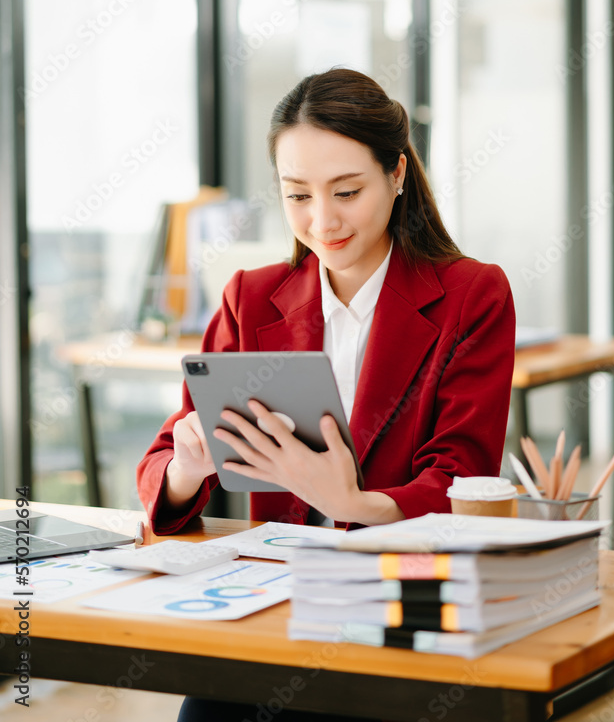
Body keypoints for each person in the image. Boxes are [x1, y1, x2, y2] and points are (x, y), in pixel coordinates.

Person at [136, 67, 515, 721]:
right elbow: (163, 465)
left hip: (403, 602)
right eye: (297, 196)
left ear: (398, 174)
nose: (322, 220)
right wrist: (185, 468)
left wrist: (357, 503)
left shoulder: (471, 296)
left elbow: (463, 481)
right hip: (275, 604)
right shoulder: (251, 298)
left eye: (346, 191)